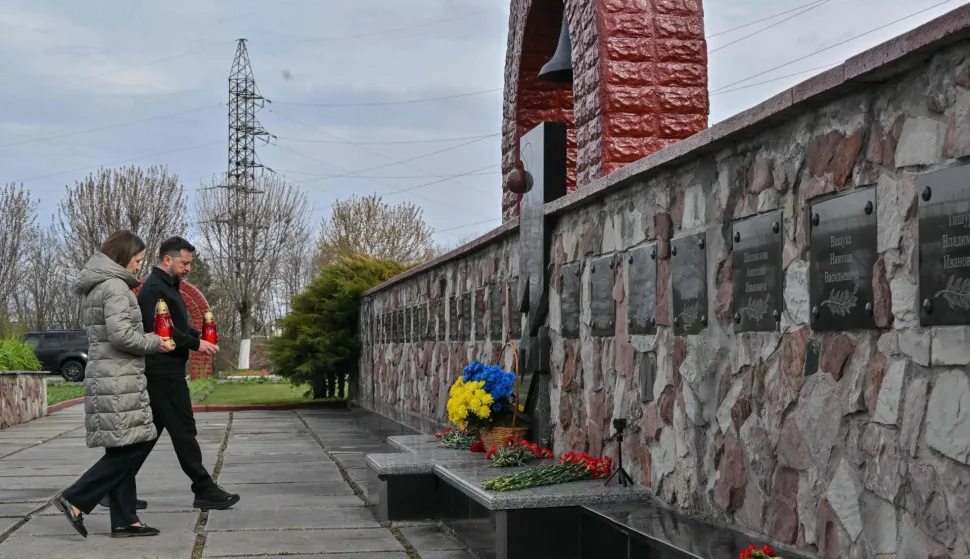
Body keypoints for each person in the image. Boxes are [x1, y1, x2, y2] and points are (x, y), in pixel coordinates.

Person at [53, 230, 175, 538]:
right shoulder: (116, 287)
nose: (139, 265)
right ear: (124, 256)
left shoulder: (99, 285)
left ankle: (125, 520)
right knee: (134, 447)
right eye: (138, 259)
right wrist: (155, 341)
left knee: (125, 446)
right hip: (118, 377)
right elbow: (121, 336)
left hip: (107, 373)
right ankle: (75, 498)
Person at [118, 235, 240, 511]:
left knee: (148, 435)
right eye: (184, 263)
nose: (188, 268)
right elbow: (163, 331)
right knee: (184, 431)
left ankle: (115, 487)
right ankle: (204, 489)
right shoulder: (154, 289)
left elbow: (177, 327)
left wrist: (198, 336)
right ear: (167, 259)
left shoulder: (168, 286)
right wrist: (197, 344)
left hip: (167, 371)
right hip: (162, 373)